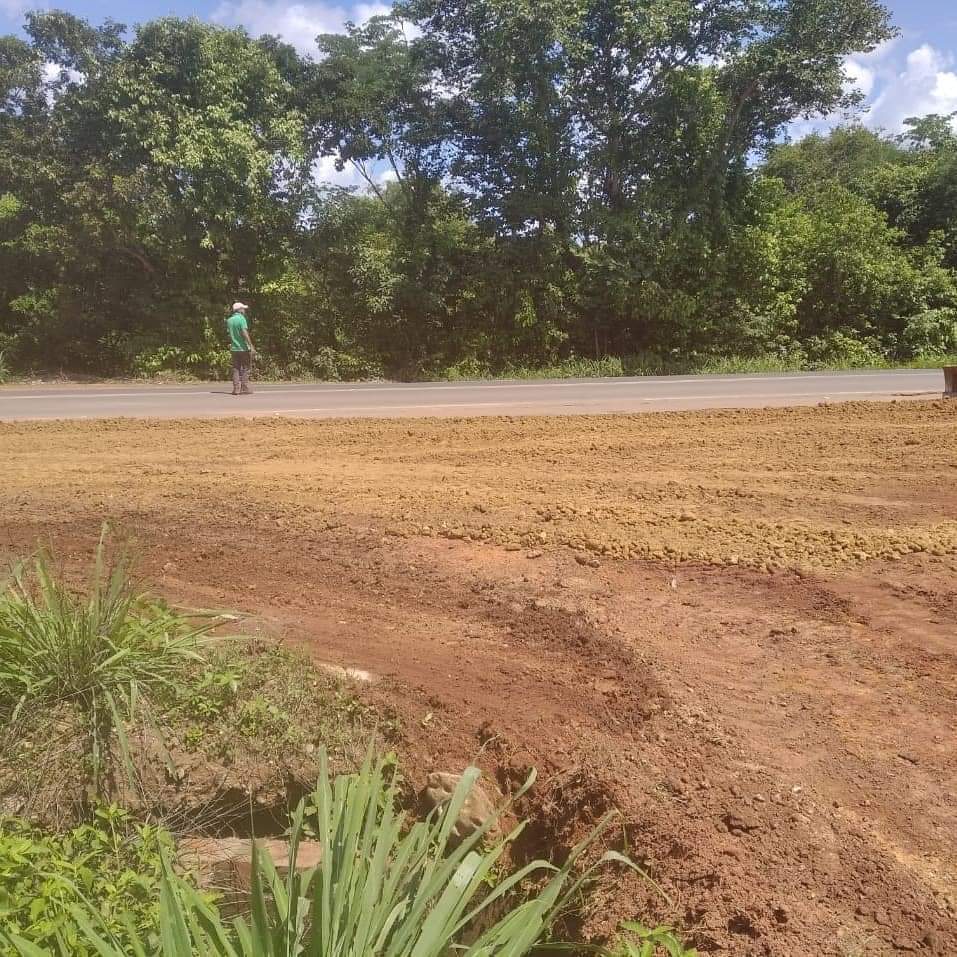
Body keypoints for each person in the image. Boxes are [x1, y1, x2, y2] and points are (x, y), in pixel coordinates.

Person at [226, 302, 256, 395]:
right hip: (243, 348)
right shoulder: (241, 319)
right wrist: (251, 345)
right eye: (243, 308)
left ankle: (236, 389)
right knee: (246, 368)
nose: (244, 310)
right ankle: (244, 388)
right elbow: (244, 332)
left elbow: (230, 334)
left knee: (236, 368)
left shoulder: (229, 320)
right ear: (239, 310)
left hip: (234, 348)